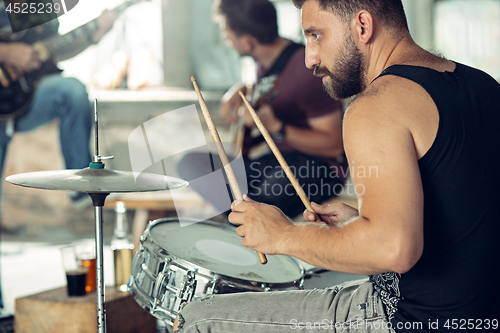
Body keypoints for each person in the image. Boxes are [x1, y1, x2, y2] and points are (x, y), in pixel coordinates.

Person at [173, 0, 500, 331]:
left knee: (198, 318)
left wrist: (283, 234)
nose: (309, 57)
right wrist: (360, 223)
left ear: (362, 26)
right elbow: (467, 218)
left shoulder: (377, 105)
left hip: (412, 319)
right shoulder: (484, 86)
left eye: (316, 35)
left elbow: (393, 248)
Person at [177, 0, 347, 220]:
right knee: (192, 165)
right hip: (277, 162)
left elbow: (333, 146)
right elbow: (275, 91)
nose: (226, 39)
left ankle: (243, 224)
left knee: (256, 207)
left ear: (247, 42)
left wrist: (276, 126)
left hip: (318, 170)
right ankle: (242, 221)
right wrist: (241, 90)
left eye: (226, 32)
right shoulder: (265, 64)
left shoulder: (306, 73)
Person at [0, 1, 116, 310]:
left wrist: (93, 36)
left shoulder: (44, 10)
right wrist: (6, 53)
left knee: (72, 91)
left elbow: (49, 53)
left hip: (22, 97)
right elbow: (16, 52)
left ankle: (82, 185)